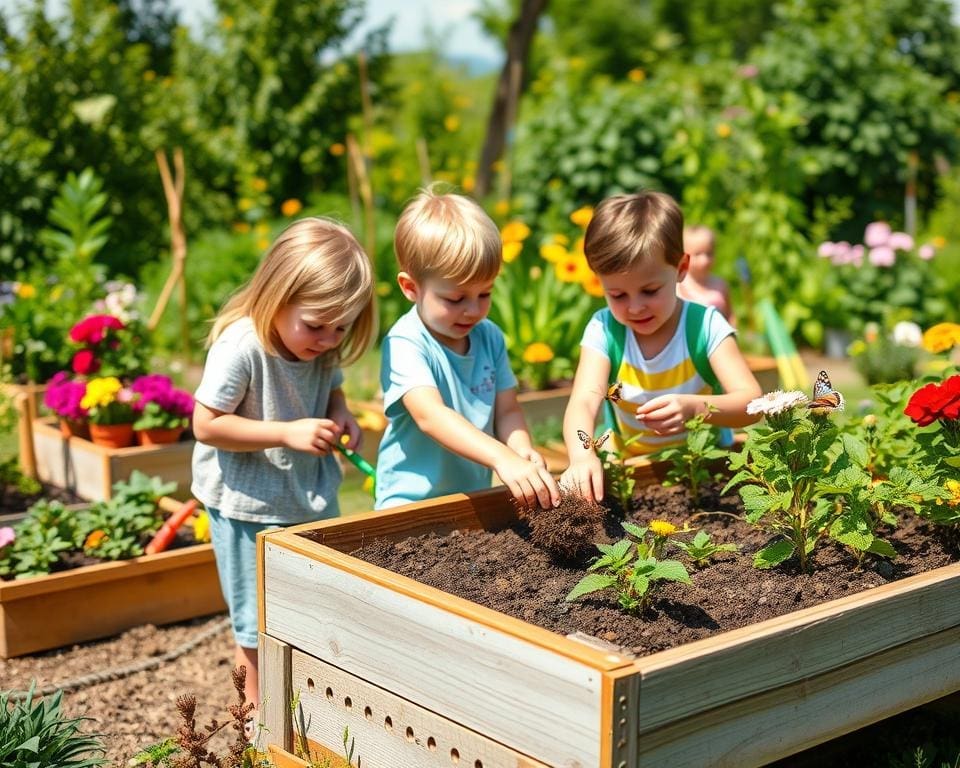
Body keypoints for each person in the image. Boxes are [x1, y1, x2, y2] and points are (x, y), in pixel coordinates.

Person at [191, 217, 377, 713]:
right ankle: (256, 714)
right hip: (248, 504)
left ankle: (304, 699)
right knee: (257, 619)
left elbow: (333, 387)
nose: (328, 339)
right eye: (316, 325)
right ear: (277, 295)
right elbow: (206, 425)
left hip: (305, 493)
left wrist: (342, 415)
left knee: (313, 601)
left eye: (342, 327)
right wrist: (286, 432)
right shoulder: (242, 346)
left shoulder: (319, 344)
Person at [561, 192, 761, 503]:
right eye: (618, 295)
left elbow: (752, 403)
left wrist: (695, 408)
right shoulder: (604, 330)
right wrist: (581, 455)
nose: (636, 307)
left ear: (681, 268)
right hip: (631, 470)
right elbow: (584, 403)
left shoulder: (704, 326)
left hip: (706, 473)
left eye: (650, 290)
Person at [375, 187, 560, 511]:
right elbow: (430, 415)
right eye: (455, 299)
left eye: (484, 294)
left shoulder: (489, 337)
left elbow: (507, 410)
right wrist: (500, 457)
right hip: (407, 507)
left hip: (470, 500)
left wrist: (519, 448)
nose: (473, 310)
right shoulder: (407, 341)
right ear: (410, 288)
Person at [677, 224, 734, 323]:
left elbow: (730, 315)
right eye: (697, 254)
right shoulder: (680, 287)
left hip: (719, 337)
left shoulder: (720, 285)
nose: (705, 260)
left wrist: (733, 333)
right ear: (683, 257)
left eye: (709, 253)